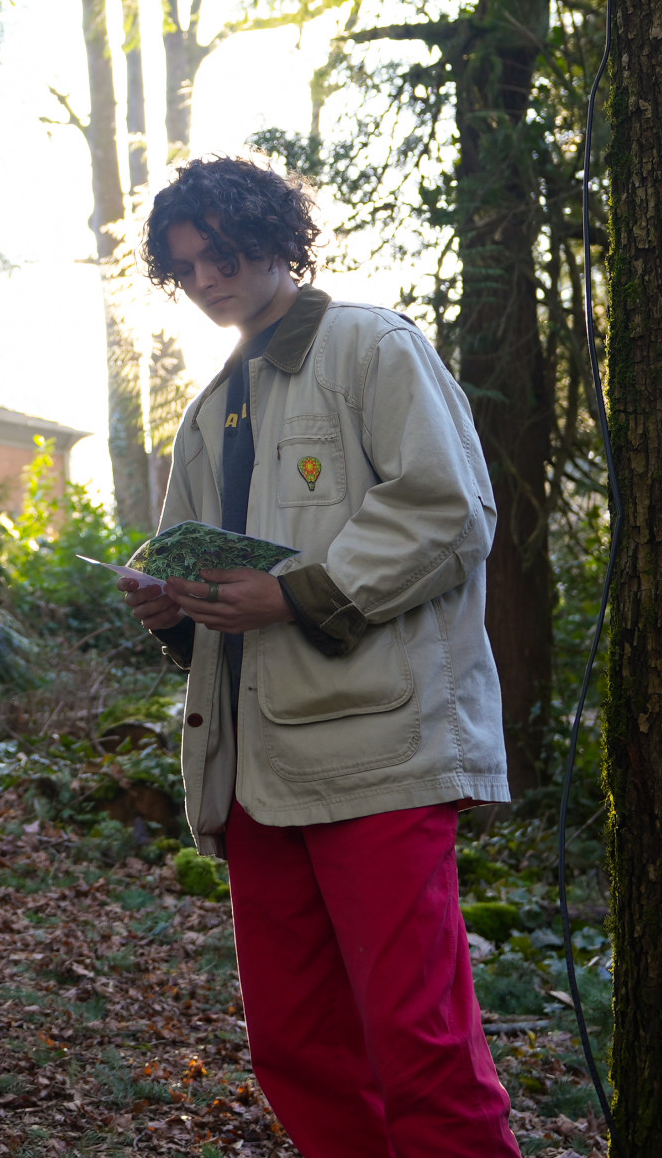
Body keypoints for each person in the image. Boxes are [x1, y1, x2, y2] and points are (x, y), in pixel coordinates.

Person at [119, 153, 517, 1158]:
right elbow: (211, 581)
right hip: (253, 772)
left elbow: (446, 511)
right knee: (293, 1049)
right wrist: (172, 608)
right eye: (184, 266)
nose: (207, 278)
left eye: (222, 251)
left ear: (273, 235)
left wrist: (292, 592)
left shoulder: (369, 348)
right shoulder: (210, 408)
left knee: (418, 1047)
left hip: (378, 754)